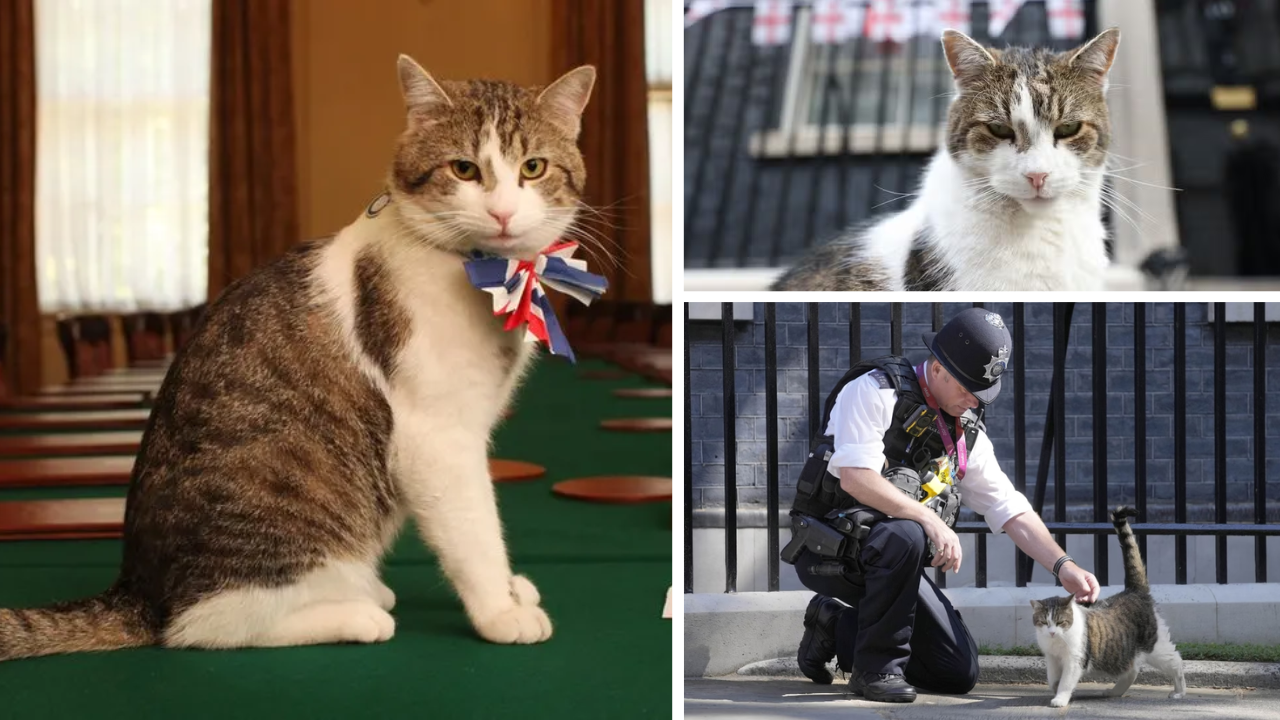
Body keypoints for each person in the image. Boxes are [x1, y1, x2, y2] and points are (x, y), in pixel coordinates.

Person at [786, 308, 1101, 703]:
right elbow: (854, 476)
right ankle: (875, 672)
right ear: (937, 368)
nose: (973, 401)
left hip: (894, 564)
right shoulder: (875, 390)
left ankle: (833, 626)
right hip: (829, 548)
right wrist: (930, 521)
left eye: (981, 393)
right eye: (967, 388)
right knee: (908, 531)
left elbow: (1009, 507)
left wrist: (1063, 566)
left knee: (956, 671)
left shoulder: (965, 429)